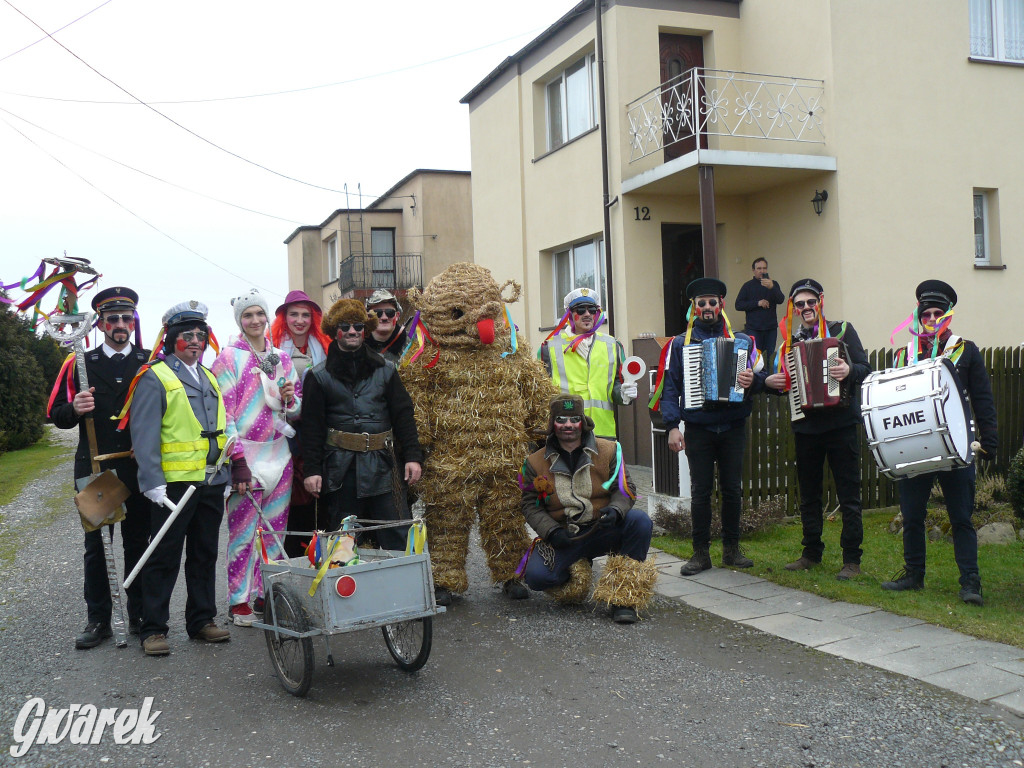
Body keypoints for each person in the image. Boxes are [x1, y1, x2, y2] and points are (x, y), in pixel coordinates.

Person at [129, 301, 236, 655]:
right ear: (171, 339)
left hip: (210, 482)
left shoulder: (208, 377)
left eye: (200, 335)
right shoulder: (154, 376)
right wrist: (151, 481)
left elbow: (221, 429)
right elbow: (143, 433)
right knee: (164, 555)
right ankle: (153, 629)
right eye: (187, 336)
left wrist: (227, 474)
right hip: (173, 487)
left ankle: (202, 620)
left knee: (205, 554)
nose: (195, 341)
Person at [881, 280, 997, 605]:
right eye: (926, 314)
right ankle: (913, 575)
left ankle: (970, 583)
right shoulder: (905, 354)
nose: (932, 319)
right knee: (913, 514)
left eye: (938, 313)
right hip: (918, 445)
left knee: (961, 516)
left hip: (957, 446)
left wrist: (989, 439)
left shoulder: (965, 350)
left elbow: (983, 398)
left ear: (948, 316)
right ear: (919, 318)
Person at [49, 286, 151, 649]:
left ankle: (140, 616)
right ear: (101, 323)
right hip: (95, 468)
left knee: (139, 543)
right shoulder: (81, 364)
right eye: (112, 319)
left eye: (126, 318)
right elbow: (55, 415)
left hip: (140, 468)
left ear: (133, 321)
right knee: (97, 545)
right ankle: (99, 620)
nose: (120, 325)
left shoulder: (151, 360)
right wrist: (75, 408)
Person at [763, 279, 871, 580]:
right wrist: (774, 385)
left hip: (842, 424)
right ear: (795, 308)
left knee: (849, 494)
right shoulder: (790, 341)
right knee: (809, 494)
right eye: (801, 304)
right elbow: (782, 382)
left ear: (820, 302)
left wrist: (848, 371)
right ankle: (811, 553)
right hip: (807, 425)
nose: (807, 308)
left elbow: (865, 368)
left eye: (811, 302)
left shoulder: (843, 330)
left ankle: (852, 560)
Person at [658, 277, 762, 575]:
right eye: (700, 303)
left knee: (732, 490)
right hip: (699, 428)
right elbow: (670, 387)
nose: (707, 307)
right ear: (694, 308)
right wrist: (672, 426)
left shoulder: (743, 341)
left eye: (712, 302)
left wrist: (752, 381)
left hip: (732, 427)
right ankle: (700, 554)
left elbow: (760, 376)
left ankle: (732, 550)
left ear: (721, 306)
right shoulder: (681, 344)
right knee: (701, 491)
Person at [519, 395, 654, 624]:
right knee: (536, 578)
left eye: (574, 419)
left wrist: (616, 510)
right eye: (561, 419)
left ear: (583, 421)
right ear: (553, 424)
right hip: (565, 536)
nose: (568, 425)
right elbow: (529, 504)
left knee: (639, 521)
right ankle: (578, 565)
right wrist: (551, 531)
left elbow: (625, 488)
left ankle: (622, 599)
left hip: (602, 529)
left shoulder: (610, 450)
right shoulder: (533, 462)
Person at [301, 299, 424, 550]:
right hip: (340, 471)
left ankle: (400, 590)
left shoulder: (387, 370)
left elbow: (403, 415)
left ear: (365, 329)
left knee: (396, 537)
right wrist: (312, 470)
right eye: (344, 326)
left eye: (357, 325)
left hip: (384, 467)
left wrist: (413, 456)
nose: (352, 331)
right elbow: (311, 428)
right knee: (342, 544)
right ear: (333, 330)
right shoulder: (317, 376)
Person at [212, 289, 301, 626]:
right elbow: (225, 414)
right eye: (247, 316)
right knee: (243, 532)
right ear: (240, 321)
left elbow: (295, 409)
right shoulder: (228, 359)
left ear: (267, 318)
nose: (254, 320)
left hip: (279, 454)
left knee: (275, 530)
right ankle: (239, 602)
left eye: (258, 314)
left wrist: (290, 399)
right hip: (246, 456)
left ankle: (269, 594)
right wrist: (237, 459)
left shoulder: (282, 358)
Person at [270, 289, 331, 557]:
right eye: (293, 314)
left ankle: (317, 553)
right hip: (284, 431)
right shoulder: (272, 348)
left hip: (317, 428)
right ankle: (292, 554)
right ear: (285, 317)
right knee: (292, 496)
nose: (299, 320)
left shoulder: (324, 345)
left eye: (305, 314)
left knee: (317, 494)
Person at [540, 288, 636, 440]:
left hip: (603, 432)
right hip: (566, 433)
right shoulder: (549, 347)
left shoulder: (612, 345)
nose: (587, 314)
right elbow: (540, 392)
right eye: (580, 309)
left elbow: (616, 385)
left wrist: (624, 394)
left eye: (592, 310)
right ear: (569, 314)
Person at [734, 258, 785, 371]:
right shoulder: (747, 286)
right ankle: (756, 383)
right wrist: (757, 303)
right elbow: (738, 305)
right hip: (753, 328)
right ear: (753, 270)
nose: (762, 271)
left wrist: (772, 288)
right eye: (759, 268)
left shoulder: (773, 284)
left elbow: (781, 299)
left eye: (764, 268)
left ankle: (768, 383)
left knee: (770, 357)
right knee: (755, 358)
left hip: (770, 328)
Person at [363, 288, 407, 364]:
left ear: (397, 316)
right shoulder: (356, 346)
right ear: (368, 316)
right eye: (377, 313)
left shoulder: (411, 346)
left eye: (390, 312)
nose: (384, 318)